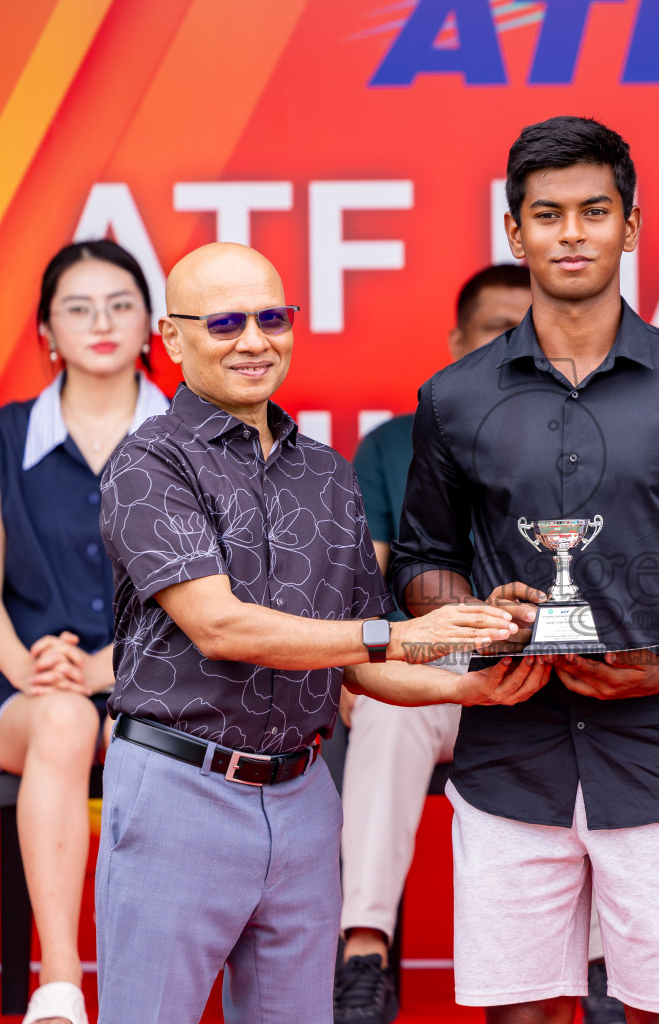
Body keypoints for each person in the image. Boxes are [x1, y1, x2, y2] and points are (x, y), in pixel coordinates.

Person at [389, 116, 659, 1024]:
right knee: (521, 1014)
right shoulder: (454, 398)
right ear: (514, 230)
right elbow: (422, 561)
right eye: (549, 213)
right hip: (507, 762)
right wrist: (478, 614)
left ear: (632, 226)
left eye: (594, 211)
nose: (572, 233)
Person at [93, 242, 550, 1024]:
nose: (253, 341)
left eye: (272, 318)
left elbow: (356, 664)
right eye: (225, 322)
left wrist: (469, 684)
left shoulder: (328, 473)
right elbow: (221, 626)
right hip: (179, 790)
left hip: (304, 799)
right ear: (171, 338)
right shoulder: (148, 462)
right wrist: (407, 637)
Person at [0, 239, 169, 1024]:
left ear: (152, 324)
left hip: (161, 688)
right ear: (46, 329)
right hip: (32, 693)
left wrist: (112, 666)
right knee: (65, 719)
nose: (101, 322)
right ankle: (60, 981)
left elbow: (211, 591)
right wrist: (31, 669)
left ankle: (152, 984)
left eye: (120, 304)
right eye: (77, 308)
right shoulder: (3, 440)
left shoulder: (188, 433)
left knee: (143, 730)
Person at [335, 263, 537, 1024]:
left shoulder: (588, 433)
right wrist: (370, 668)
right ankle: (364, 950)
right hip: (437, 667)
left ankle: (595, 967)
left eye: (531, 326)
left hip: (549, 668)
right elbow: (366, 583)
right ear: (457, 342)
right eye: (496, 328)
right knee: (385, 713)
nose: (516, 344)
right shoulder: (394, 444)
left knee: (597, 718)